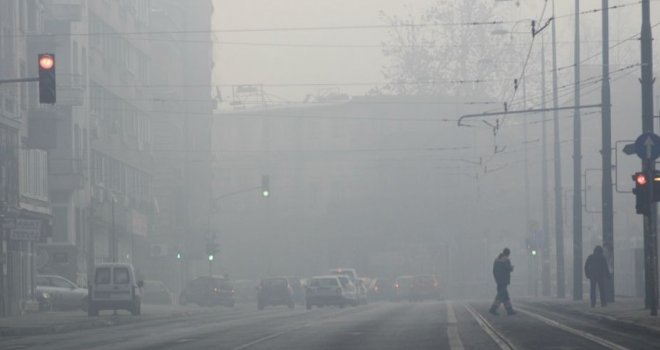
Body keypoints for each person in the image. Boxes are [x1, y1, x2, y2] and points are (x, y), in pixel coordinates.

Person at [489, 248, 515, 316]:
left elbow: (494, 271)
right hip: (504, 280)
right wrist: (512, 268)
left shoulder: (496, 259)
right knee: (500, 296)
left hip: (498, 280)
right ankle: (493, 309)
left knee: (505, 296)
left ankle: (509, 310)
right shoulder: (506, 260)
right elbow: (508, 269)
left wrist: (496, 279)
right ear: (508, 254)